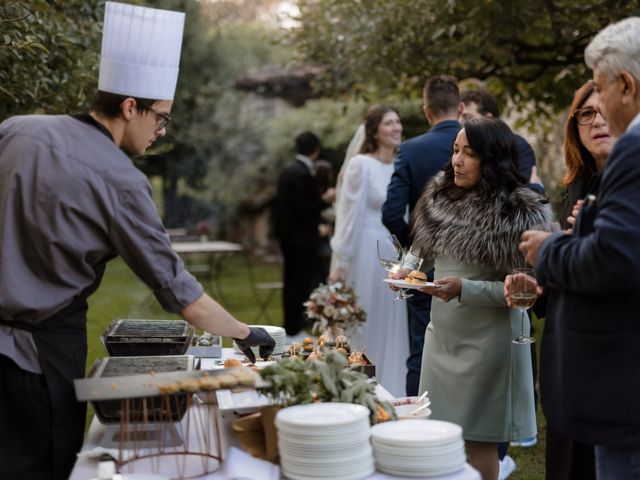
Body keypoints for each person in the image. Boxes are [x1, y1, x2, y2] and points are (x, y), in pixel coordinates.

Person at [0, 3, 274, 479]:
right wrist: (247, 333)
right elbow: (180, 293)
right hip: (38, 360)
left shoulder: (16, 129)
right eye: (161, 118)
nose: (160, 132)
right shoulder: (119, 179)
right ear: (131, 107)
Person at [398, 117, 552, 479]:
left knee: (479, 443)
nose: (457, 161)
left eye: (469, 153)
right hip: (442, 342)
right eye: (455, 151)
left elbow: (527, 290)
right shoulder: (438, 197)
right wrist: (403, 272)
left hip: (490, 347)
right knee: (440, 437)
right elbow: (418, 253)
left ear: (492, 158)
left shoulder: (521, 213)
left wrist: (464, 289)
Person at [519, 17, 640, 480]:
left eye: (603, 92)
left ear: (625, 85)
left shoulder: (633, 151)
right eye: (586, 112)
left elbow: (614, 259)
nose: (601, 111)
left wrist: (550, 250)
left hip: (622, 389)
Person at [382, 74, 462, 396]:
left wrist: (411, 249)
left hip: (423, 269)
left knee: (421, 347)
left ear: (427, 110)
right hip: (478, 263)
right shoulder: (484, 145)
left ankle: (416, 425)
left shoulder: (412, 150)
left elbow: (391, 212)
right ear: (459, 107)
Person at [329, 105, 409, 396]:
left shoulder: (401, 165)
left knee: (391, 322)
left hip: (392, 253)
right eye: (389, 123)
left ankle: (392, 388)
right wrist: (342, 262)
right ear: (374, 131)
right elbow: (349, 218)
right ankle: (359, 387)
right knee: (364, 321)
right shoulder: (360, 164)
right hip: (363, 252)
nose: (396, 127)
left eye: (398, 122)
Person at [275, 131, 336, 340]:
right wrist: (325, 200)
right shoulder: (303, 173)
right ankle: (293, 329)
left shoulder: (288, 170)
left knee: (291, 282)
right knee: (298, 285)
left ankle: (291, 327)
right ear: (316, 149)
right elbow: (304, 208)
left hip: (288, 237)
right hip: (301, 240)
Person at [460, 89, 544, 193]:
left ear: (488, 118)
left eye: (468, 118)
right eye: (459, 116)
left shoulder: (518, 146)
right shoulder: (459, 146)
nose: (461, 122)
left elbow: (524, 194)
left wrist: (535, 189)